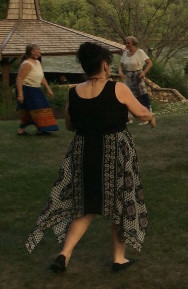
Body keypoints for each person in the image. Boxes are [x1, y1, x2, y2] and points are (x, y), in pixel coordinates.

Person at [25, 42, 156, 273]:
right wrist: (151, 117)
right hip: (115, 153)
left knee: (85, 206)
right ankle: (118, 258)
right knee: (120, 204)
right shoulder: (118, 89)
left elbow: (69, 125)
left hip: (84, 151)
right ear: (105, 65)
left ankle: (64, 254)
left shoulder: (73, 92)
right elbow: (141, 112)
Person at [16, 43, 59, 136]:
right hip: (27, 90)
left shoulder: (37, 62)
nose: (40, 51)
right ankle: (41, 129)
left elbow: (41, 77)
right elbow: (19, 79)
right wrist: (20, 94)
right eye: (38, 49)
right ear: (32, 52)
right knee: (41, 107)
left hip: (36, 89)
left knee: (30, 110)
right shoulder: (27, 64)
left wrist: (48, 89)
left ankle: (23, 130)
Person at [118, 36, 153, 125]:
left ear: (134, 43)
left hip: (138, 75)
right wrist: (120, 71)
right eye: (126, 42)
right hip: (128, 76)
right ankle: (128, 118)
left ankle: (147, 116)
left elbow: (150, 63)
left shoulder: (140, 52)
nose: (126, 44)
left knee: (141, 95)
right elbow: (120, 65)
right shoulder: (125, 53)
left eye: (128, 42)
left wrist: (144, 72)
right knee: (128, 96)